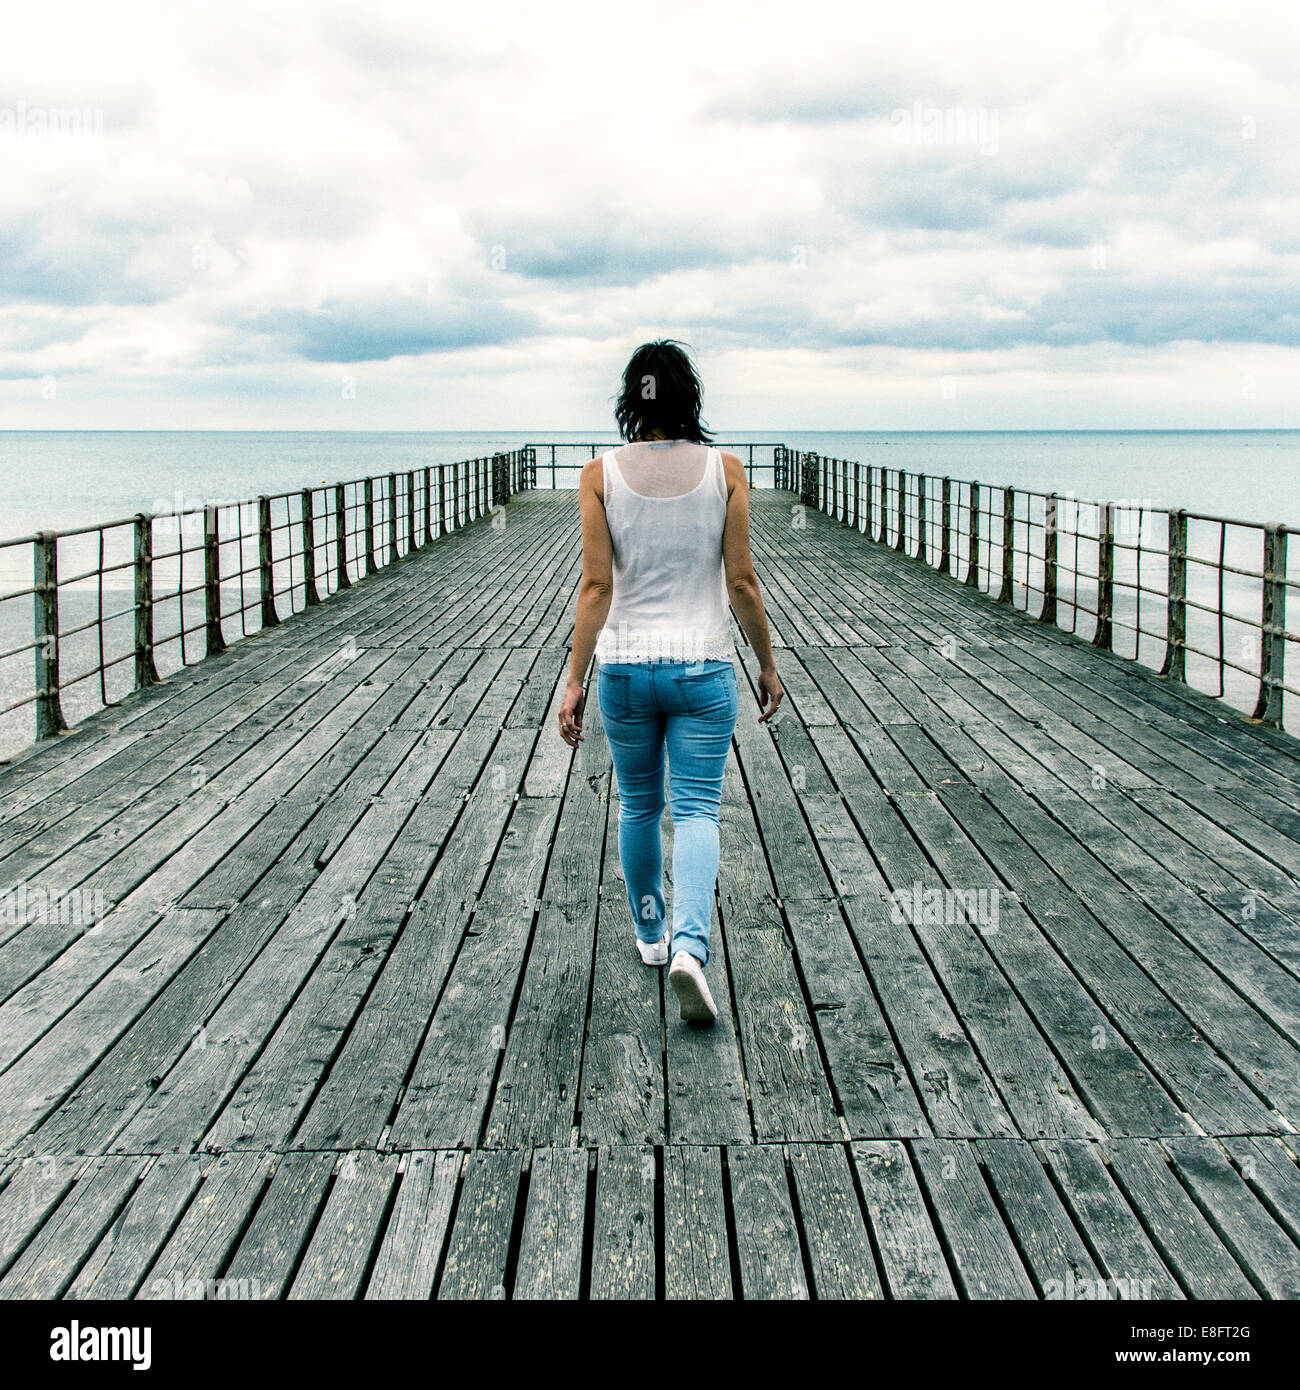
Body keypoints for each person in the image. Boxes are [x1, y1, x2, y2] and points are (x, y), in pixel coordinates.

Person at [557, 339, 784, 1024]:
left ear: (634, 398)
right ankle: (691, 946)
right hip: (703, 669)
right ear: (691, 396)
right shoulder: (727, 469)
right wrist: (768, 664)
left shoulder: (599, 474)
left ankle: (652, 937)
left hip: (625, 670)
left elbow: (596, 585)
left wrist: (573, 680)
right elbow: (741, 581)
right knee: (695, 810)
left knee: (637, 806)